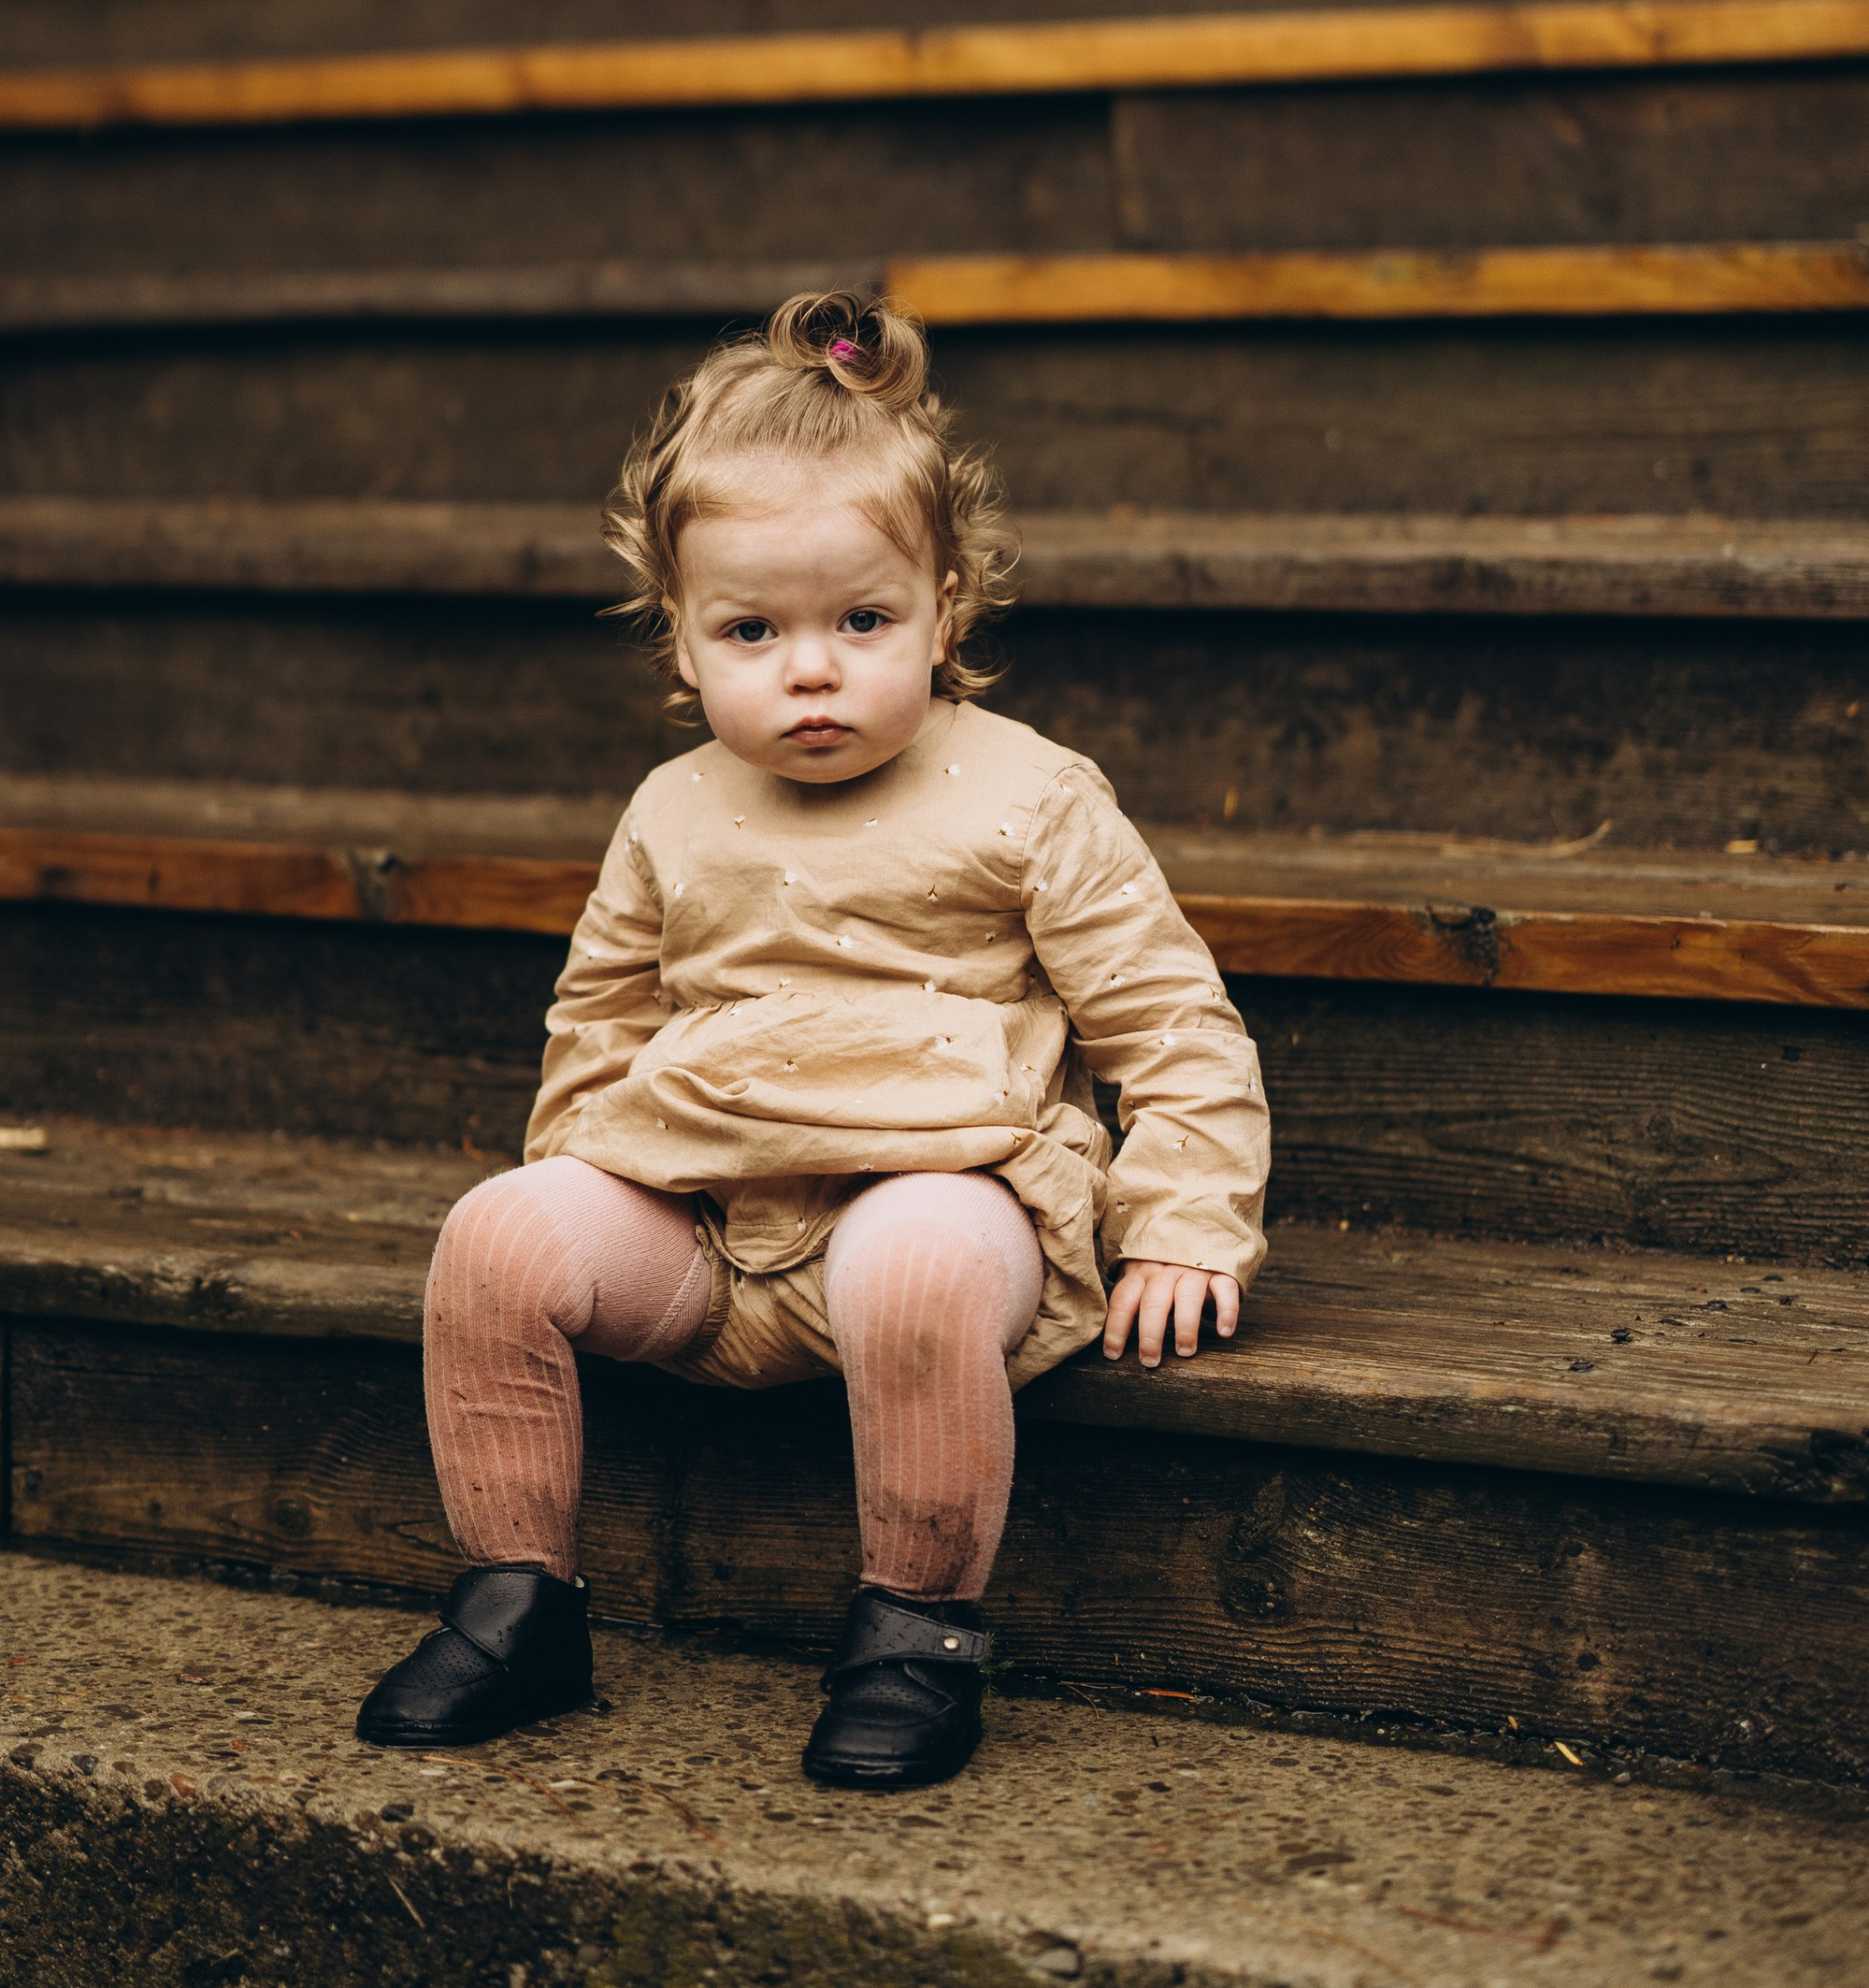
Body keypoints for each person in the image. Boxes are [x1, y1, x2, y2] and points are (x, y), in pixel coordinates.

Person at [357, 291, 1270, 1790]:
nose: (811, 669)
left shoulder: (1028, 797)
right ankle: (520, 1602)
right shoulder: (672, 810)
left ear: (946, 608)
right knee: (493, 1238)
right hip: (710, 1229)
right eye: (752, 630)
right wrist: (584, 1183)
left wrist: (1184, 1222)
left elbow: (1170, 1023)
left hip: (945, 1197)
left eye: (862, 621)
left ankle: (917, 1630)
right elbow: (601, 1021)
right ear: (681, 638)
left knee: (908, 1262)